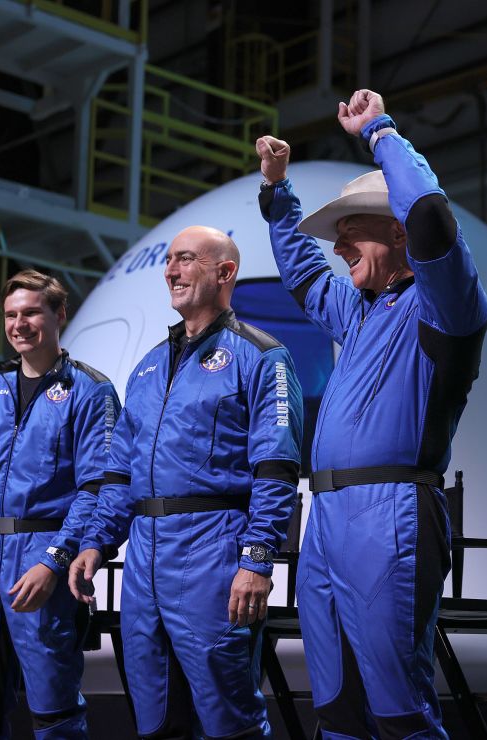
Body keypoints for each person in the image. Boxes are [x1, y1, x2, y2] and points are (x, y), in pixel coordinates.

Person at [256, 89, 487, 739]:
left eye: (347, 231)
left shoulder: (446, 304)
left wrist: (380, 132)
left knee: (397, 710)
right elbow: (303, 275)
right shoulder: (361, 312)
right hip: (329, 522)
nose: (335, 247)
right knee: (339, 711)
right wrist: (278, 195)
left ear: (396, 229)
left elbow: (433, 219)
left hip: (392, 517)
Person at [68, 226, 302, 739]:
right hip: (144, 561)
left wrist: (257, 561)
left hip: (213, 552)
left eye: (187, 259)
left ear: (225, 272)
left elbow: (277, 469)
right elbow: (120, 472)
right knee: (155, 719)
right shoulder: (148, 367)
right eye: (169, 261)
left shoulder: (262, 358)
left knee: (228, 718)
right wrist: (96, 542)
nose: (171, 271)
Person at [0, 270, 121, 739]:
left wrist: (54, 562)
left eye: (31, 312)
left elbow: (96, 488)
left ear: (59, 315)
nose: (19, 324)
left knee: (53, 716)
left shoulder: (91, 392)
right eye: (11, 315)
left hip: (42, 563)